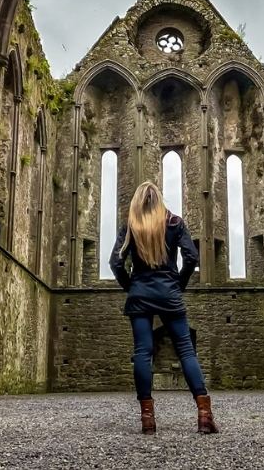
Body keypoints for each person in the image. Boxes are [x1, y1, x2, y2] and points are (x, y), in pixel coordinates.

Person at [109, 181, 218, 435]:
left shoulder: (130, 226)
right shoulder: (174, 223)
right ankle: (204, 416)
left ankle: (148, 420)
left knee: (142, 353)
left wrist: (131, 286)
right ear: (159, 200)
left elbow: (115, 263)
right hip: (169, 293)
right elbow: (191, 257)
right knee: (186, 351)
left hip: (140, 295)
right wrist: (178, 285)